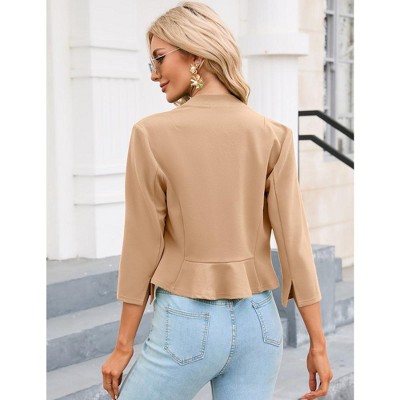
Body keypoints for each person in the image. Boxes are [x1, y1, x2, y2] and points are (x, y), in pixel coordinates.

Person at [101, 2, 333, 400]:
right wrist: (318, 343)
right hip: (260, 325)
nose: (154, 74)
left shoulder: (151, 134)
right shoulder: (272, 134)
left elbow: (142, 245)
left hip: (186, 326)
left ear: (195, 54)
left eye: (159, 58)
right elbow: (295, 245)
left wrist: (124, 345)